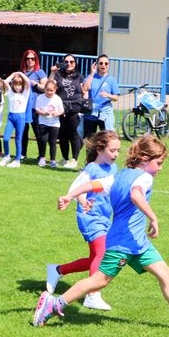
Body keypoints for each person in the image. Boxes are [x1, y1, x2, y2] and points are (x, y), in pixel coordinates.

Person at [33, 135, 169, 334]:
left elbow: (94, 185)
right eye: (159, 163)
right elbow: (136, 194)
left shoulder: (119, 175)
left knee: (165, 273)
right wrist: (153, 218)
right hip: (123, 242)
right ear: (145, 159)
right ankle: (53, 304)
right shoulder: (143, 177)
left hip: (138, 242)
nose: (161, 168)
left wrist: (70, 195)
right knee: (99, 281)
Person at [45, 131, 122, 312]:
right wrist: (82, 201)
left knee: (94, 258)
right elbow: (75, 188)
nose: (116, 154)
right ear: (99, 149)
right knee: (102, 254)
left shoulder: (114, 168)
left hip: (105, 217)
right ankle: (92, 295)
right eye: (112, 150)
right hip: (90, 217)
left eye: (118, 150)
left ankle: (58, 270)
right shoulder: (91, 169)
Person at [50, 54, 85, 167]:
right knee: (62, 135)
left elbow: (85, 91)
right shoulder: (59, 75)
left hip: (75, 107)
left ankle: (74, 159)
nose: (69, 64)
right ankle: (65, 158)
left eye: (72, 62)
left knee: (73, 134)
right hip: (61, 108)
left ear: (75, 64)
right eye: (66, 61)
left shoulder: (79, 76)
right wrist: (53, 73)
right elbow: (49, 86)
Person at [82, 54, 121, 137]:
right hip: (91, 111)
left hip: (105, 112)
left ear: (108, 65)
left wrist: (107, 95)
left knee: (107, 138)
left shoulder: (111, 80)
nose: (103, 65)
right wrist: (92, 73)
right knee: (90, 138)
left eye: (106, 63)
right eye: (101, 63)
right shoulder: (91, 77)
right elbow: (85, 88)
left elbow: (116, 97)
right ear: (97, 65)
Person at [20, 50, 48, 160]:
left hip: (35, 106)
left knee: (38, 131)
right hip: (23, 106)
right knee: (23, 131)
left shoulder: (39, 72)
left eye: (33, 58)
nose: (30, 61)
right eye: (28, 58)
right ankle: (23, 154)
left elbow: (46, 88)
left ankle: (41, 156)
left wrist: (36, 84)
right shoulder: (21, 72)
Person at [0, 71, 32, 167]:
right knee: (5, 138)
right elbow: (5, 82)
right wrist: (13, 75)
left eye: (20, 85)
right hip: (11, 117)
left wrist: (21, 74)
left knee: (18, 139)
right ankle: (7, 156)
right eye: (15, 84)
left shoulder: (25, 93)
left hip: (20, 118)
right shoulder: (10, 92)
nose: (18, 87)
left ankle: (17, 160)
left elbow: (28, 81)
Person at [34, 79, 64, 168]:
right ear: (44, 89)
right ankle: (42, 158)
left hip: (54, 123)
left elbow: (61, 110)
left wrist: (56, 113)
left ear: (55, 90)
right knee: (43, 140)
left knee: (52, 142)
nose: (49, 92)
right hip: (43, 122)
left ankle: (52, 160)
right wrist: (44, 113)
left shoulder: (57, 99)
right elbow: (37, 109)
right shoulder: (40, 98)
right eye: (47, 90)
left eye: (51, 90)